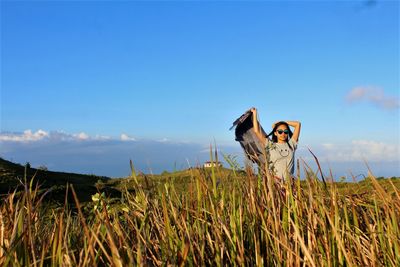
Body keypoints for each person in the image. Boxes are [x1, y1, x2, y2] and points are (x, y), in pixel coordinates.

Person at [250, 107, 301, 182]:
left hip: (289, 185)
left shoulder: (292, 144)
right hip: (275, 183)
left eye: (286, 131)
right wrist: (255, 113)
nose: (283, 134)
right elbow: (256, 131)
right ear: (275, 133)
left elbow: (298, 124)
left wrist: (281, 122)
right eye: (280, 131)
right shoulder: (270, 144)